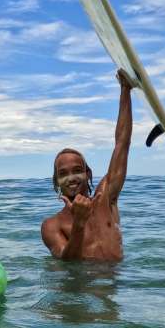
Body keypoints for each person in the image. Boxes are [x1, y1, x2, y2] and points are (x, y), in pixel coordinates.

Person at [41, 69, 132, 262]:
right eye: (63, 173)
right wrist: (79, 224)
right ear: (56, 182)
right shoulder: (52, 225)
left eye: (77, 170)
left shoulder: (107, 199)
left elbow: (121, 144)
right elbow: (68, 263)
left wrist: (125, 90)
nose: (71, 178)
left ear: (88, 174)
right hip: (79, 288)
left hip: (115, 285)